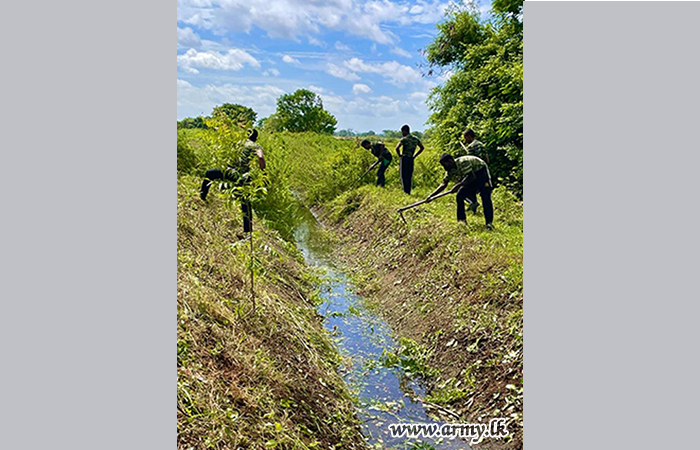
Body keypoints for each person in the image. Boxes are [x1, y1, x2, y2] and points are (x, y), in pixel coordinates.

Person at [199, 129, 266, 233]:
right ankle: (248, 231)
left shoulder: (238, 143)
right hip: (243, 176)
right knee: (245, 202)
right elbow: (260, 157)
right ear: (255, 138)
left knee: (209, 174)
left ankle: (202, 197)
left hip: (230, 172)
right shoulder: (256, 146)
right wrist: (263, 172)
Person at [426, 153, 493, 229]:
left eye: (445, 165)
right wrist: (431, 196)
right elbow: (444, 184)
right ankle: (462, 221)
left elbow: (471, 177)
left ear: (450, 161)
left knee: (485, 197)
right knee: (460, 195)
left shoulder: (463, 162)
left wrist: (459, 185)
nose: (444, 167)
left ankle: (489, 223)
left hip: (480, 172)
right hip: (470, 177)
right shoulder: (450, 171)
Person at [395, 124, 425, 194]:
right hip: (411, 159)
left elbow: (397, 148)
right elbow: (422, 148)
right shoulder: (415, 139)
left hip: (404, 158)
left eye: (402, 132)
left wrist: (400, 155)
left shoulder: (404, 139)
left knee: (403, 175)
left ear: (405, 131)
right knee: (409, 175)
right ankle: (409, 190)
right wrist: (415, 155)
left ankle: (405, 190)